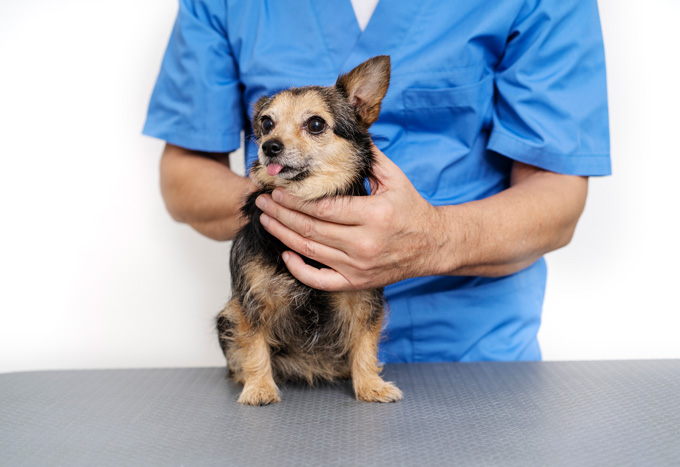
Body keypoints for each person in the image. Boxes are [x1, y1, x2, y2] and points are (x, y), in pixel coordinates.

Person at [144, 0, 611, 363]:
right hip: (288, 357)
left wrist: (434, 239)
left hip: (467, 354)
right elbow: (183, 172)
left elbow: (559, 196)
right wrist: (280, 206)